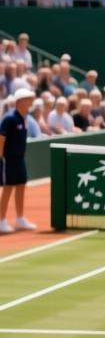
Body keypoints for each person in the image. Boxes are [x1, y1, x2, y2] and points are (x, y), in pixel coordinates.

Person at [0, 88, 38, 232]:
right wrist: (1, 157)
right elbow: (1, 139)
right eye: (28, 98)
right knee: (8, 189)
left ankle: (20, 218)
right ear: (20, 101)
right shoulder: (9, 118)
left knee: (21, 186)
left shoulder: (25, 118)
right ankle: (1, 220)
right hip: (8, 160)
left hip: (20, 159)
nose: (31, 101)